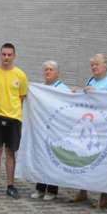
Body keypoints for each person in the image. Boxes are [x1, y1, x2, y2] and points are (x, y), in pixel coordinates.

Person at [75, 53, 107, 206]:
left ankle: (104, 196)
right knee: (83, 158)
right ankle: (83, 191)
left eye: (97, 64)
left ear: (105, 66)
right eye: (92, 65)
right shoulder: (90, 80)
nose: (94, 67)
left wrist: (96, 93)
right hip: (89, 125)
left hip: (102, 127)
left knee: (101, 160)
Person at [0, 43, 28, 199]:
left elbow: (21, 97)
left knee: (11, 153)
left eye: (9, 55)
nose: (6, 57)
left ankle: (11, 186)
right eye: (3, 54)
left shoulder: (21, 75)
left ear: (14, 56)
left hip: (14, 118)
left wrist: (14, 112)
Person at [32, 61, 69, 201]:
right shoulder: (40, 88)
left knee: (53, 159)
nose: (48, 72)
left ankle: (52, 190)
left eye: (51, 70)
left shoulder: (63, 89)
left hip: (57, 130)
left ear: (57, 73)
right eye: (46, 69)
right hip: (42, 129)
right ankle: (40, 188)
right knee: (42, 158)